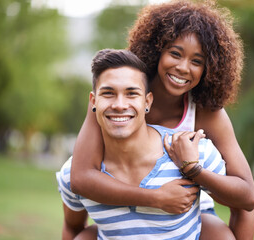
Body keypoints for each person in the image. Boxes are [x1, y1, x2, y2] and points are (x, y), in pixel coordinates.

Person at [70, 1, 254, 239]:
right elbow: (80, 177)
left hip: (185, 210)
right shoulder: (120, 96)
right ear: (157, 50)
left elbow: (247, 196)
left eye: (196, 61)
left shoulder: (206, 113)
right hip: (121, 202)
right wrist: (156, 198)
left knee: (219, 235)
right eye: (175, 53)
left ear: (209, 68)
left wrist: (193, 170)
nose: (183, 68)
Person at [57, 49, 228, 239]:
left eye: (131, 93)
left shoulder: (194, 154)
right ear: (93, 101)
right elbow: (72, 228)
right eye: (108, 93)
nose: (119, 105)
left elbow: (245, 203)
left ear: (147, 101)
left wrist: (194, 169)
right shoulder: (72, 174)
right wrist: (155, 198)